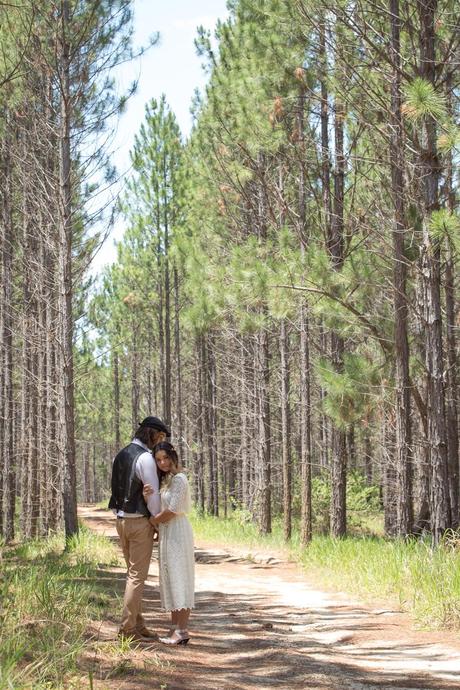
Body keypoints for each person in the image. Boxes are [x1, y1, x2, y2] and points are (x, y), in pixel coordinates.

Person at [108, 415, 170, 641]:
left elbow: (116, 488)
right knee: (136, 578)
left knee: (133, 576)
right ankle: (126, 630)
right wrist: (157, 521)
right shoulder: (145, 458)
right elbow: (152, 496)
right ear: (150, 433)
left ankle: (138, 624)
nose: (160, 440)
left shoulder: (121, 454)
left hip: (121, 521)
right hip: (138, 523)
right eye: (160, 436)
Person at [143, 442, 195, 646]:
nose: (162, 462)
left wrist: (153, 521)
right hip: (167, 531)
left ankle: (182, 630)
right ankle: (174, 628)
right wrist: (147, 497)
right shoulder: (168, 481)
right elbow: (162, 506)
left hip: (177, 532)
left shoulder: (180, 479)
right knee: (172, 578)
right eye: (158, 459)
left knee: (180, 577)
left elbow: (172, 510)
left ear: (173, 456)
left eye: (165, 458)